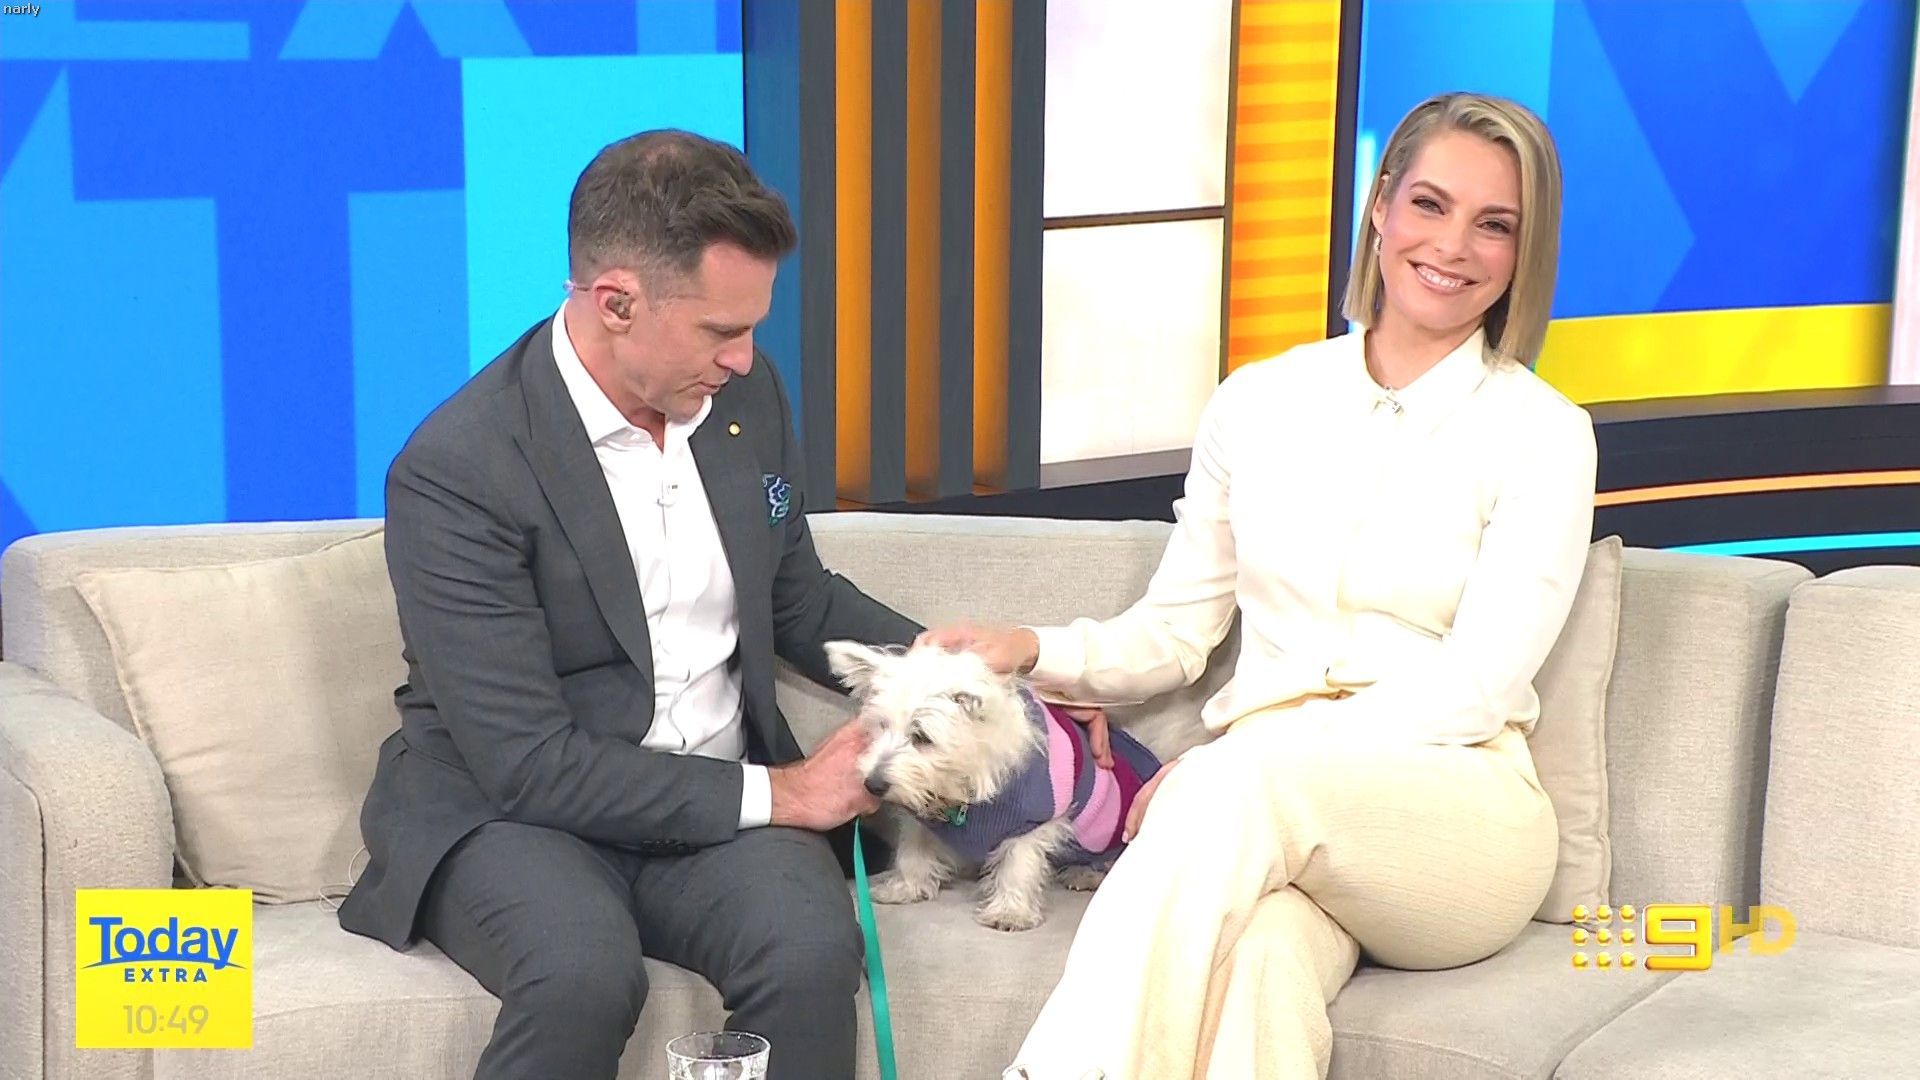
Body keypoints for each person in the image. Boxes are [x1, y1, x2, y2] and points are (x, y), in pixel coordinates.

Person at [925, 92, 1598, 1079]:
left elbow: (1477, 689)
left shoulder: (1543, 434)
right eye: (1430, 204)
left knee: (1230, 778)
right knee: (1260, 972)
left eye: (1494, 224)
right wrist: (1029, 649)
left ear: (1521, 251)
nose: (1453, 246)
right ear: (1380, 206)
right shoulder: (1259, 401)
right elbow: (1175, 632)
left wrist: (1242, 762)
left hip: (1455, 815)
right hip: (1272, 821)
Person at [335, 129, 922, 1080]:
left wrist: (973, 672)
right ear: (616, 303)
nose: (745, 359)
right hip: (514, 819)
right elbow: (528, 763)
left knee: (811, 953)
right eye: (720, 331)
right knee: (581, 974)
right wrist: (785, 793)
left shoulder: (744, 401)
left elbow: (797, 595)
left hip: (716, 805)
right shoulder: (460, 468)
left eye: (752, 328)